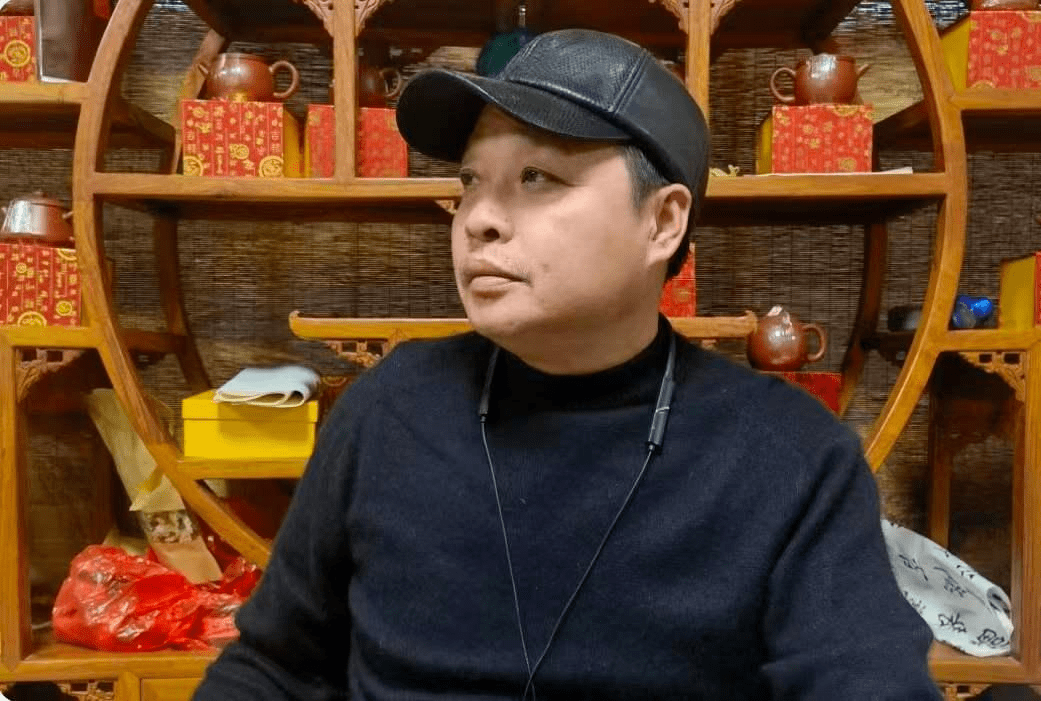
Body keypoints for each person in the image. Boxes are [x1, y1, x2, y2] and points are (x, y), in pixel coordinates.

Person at [192, 29, 940, 700]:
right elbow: (274, 666)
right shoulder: (385, 410)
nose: (480, 220)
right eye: (470, 183)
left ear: (663, 221)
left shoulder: (791, 458)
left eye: (537, 178)